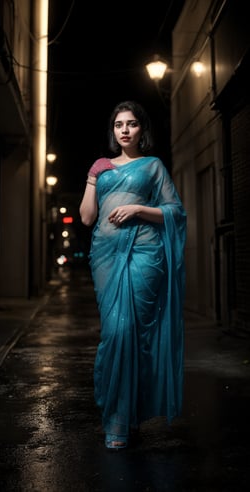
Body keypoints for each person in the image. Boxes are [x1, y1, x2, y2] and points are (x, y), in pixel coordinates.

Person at [79, 100, 187, 450]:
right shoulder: (102, 168)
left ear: (142, 130)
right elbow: (86, 218)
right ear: (113, 131)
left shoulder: (152, 166)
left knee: (133, 333)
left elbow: (175, 211)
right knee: (114, 333)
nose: (124, 129)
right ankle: (122, 412)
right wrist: (93, 178)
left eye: (131, 124)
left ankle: (120, 421)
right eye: (118, 125)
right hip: (105, 257)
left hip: (143, 255)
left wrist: (139, 208)